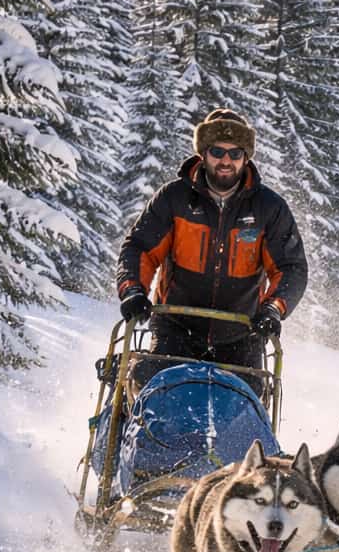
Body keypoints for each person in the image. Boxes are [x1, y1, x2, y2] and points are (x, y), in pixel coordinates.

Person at [116, 109, 307, 397]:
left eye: (236, 153)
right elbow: (140, 249)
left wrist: (273, 309)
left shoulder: (269, 209)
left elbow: (290, 267)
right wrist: (133, 290)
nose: (226, 161)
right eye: (218, 151)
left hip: (241, 335)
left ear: (247, 157)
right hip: (175, 328)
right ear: (203, 153)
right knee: (148, 391)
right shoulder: (174, 198)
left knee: (248, 406)